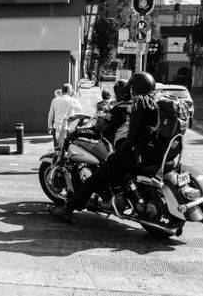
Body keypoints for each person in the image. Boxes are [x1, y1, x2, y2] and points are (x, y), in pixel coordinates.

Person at [48, 72, 158, 222]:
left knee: (91, 182)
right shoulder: (151, 104)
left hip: (126, 153)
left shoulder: (124, 109)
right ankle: (114, 195)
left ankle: (67, 210)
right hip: (145, 154)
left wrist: (77, 132)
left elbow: (99, 130)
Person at [47, 83, 82, 147]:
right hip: (66, 128)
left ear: (62, 90)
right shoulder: (72, 100)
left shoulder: (55, 100)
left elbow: (51, 114)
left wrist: (49, 126)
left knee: (56, 149)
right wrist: (74, 97)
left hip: (56, 127)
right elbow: (79, 110)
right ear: (70, 92)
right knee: (64, 149)